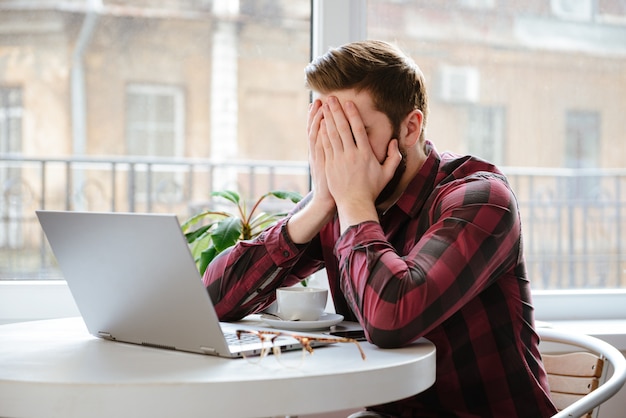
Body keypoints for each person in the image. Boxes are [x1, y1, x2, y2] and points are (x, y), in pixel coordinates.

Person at [203, 40, 557, 417]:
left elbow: (391, 319)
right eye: (328, 130)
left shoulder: (481, 198)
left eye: (354, 131)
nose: (340, 151)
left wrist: (354, 202)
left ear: (410, 127)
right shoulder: (338, 200)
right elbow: (212, 301)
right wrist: (321, 205)